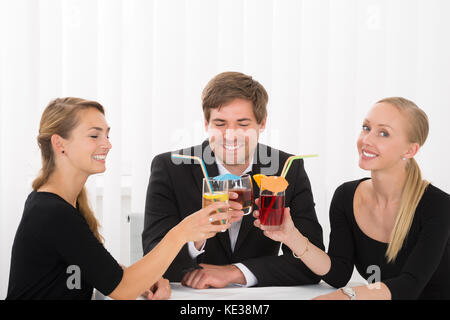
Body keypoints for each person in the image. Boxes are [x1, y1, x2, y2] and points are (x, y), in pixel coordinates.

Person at [6, 97, 232, 300]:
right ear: (59, 144)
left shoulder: (61, 204)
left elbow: (100, 270)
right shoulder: (53, 212)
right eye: (94, 135)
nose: (107, 144)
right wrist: (181, 233)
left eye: (107, 134)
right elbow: (123, 290)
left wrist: (143, 279)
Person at [254, 97, 450, 299]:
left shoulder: (438, 206)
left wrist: (346, 296)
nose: (367, 140)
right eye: (366, 128)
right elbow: (338, 273)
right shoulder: (346, 196)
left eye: (383, 133)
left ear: (410, 150)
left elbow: (409, 286)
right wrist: (291, 236)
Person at [142, 71, 325, 288]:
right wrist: (196, 237)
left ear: (262, 123)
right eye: (220, 123)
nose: (230, 134)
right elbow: (151, 264)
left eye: (243, 123)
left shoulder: (288, 168)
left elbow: (312, 264)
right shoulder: (171, 168)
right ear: (206, 123)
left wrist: (236, 272)